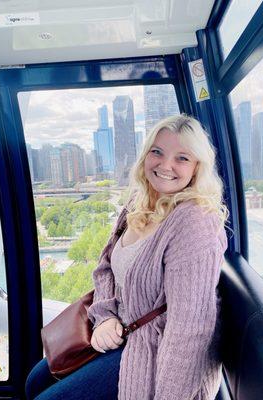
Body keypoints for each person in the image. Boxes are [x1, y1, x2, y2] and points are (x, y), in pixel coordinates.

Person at [25, 114, 228, 399]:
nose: (165, 165)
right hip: (120, 331)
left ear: (197, 168)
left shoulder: (193, 223)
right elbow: (105, 267)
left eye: (182, 158)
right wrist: (105, 316)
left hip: (153, 349)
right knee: (35, 382)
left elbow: (190, 329)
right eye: (157, 152)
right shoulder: (138, 202)